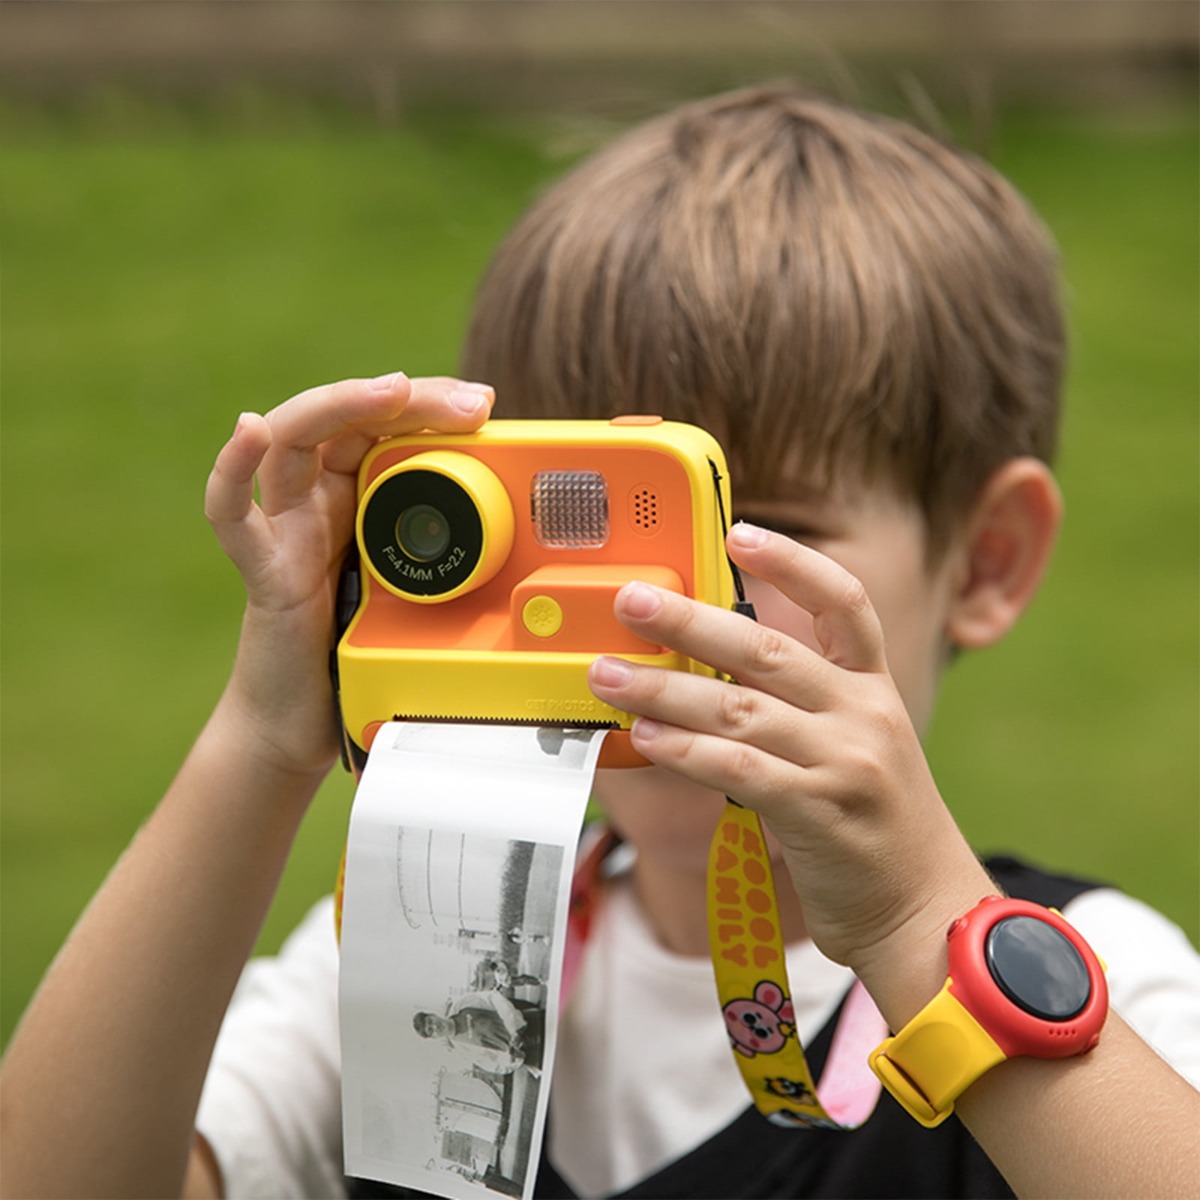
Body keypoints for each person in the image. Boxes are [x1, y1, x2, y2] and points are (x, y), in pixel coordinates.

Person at [1, 83, 1198, 1200]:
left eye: (743, 525)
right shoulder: (420, 938)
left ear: (985, 560)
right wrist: (264, 740)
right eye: (589, 525)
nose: (654, 609)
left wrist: (909, 924)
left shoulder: (1087, 981)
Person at [413, 990, 544, 1077]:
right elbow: (494, 1066)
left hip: (530, 1024)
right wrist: (510, 1058)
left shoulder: (461, 1005)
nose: (435, 1026)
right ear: (435, 1037)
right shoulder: (463, 1049)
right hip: (530, 1053)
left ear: (433, 1015)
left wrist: (513, 1029)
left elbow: (494, 998)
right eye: (431, 1030)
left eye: (431, 1021)